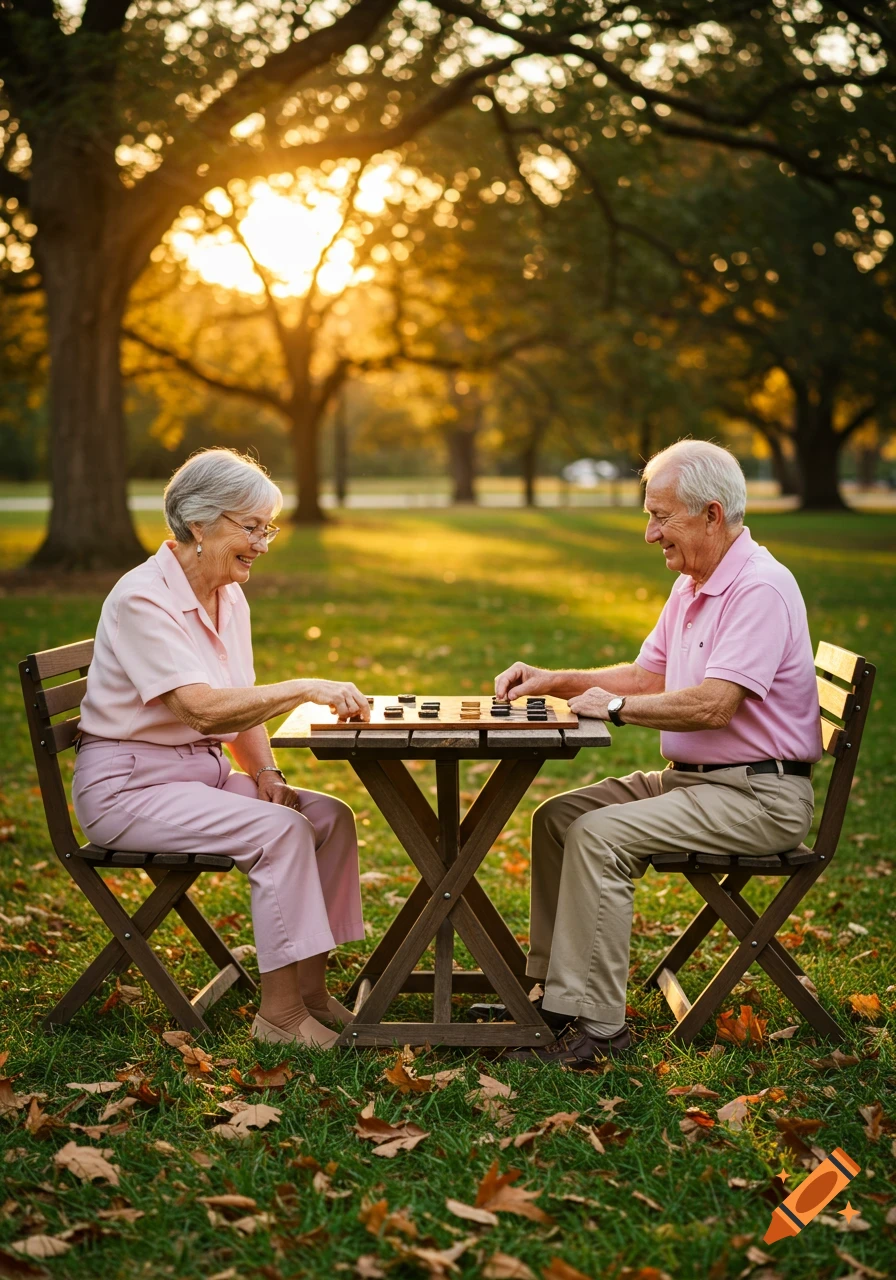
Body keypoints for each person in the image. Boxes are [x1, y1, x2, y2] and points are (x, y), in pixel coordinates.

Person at [494, 440, 821, 1068]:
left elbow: (714, 705)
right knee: (559, 820)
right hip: (700, 784)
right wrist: (554, 678)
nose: (650, 534)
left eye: (661, 517)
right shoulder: (696, 583)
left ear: (712, 514)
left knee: (599, 836)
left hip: (759, 798)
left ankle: (598, 1030)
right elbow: (649, 677)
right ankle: (554, 997)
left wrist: (610, 710)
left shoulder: (760, 589)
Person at [74, 448, 371, 1049]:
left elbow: (239, 702)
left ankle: (312, 993)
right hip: (127, 789)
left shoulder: (228, 595)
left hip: (200, 775)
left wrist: (265, 770)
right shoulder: (142, 599)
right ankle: (280, 1018)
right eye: (250, 527)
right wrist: (303, 687)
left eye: (268, 529)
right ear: (199, 524)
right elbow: (199, 708)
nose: (263, 543)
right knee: (280, 833)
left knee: (327, 818)